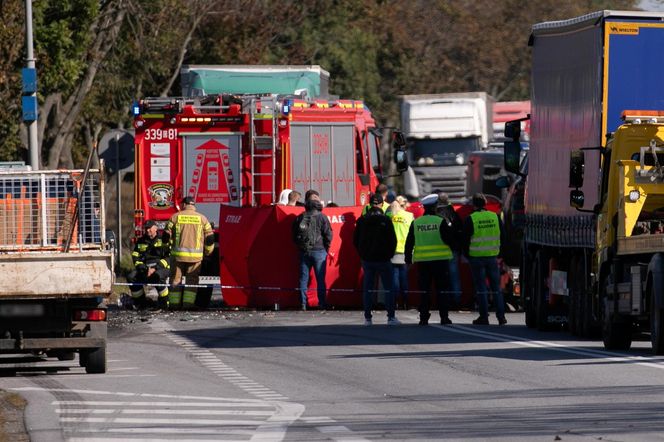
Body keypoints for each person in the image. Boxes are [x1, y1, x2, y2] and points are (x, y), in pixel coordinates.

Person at [404, 193, 455, 326]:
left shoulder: (416, 222)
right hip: (441, 261)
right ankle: (444, 317)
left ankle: (423, 318)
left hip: (423, 263)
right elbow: (450, 240)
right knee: (442, 290)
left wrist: (408, 259)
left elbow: (409, 243)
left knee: (424, 290)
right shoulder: (440, 221)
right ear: (435, 207)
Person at [354, 193, 399, 326]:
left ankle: (368, 318)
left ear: (370, 204)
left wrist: (363, 254)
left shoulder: (362, 221)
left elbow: (355, 241)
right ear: (381, 204)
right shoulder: (385, 220)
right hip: (384, 260)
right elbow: (393, 241)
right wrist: (389, 255)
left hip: (367, 259)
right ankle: (391, 317)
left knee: (367, 288)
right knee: (389, 288)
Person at [163, 196, 214, 310]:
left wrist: (166, 248)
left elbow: (166, 235)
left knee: (175, 280)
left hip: (178, 257)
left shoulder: (175, 217)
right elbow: (210, 238)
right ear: (193, 205)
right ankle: (188, 305)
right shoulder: (202, 219)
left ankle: (174, 305)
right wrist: (208, 252)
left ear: (184, 205)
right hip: (195, 258)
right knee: (192, 281)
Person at [464, 193, 507, 325]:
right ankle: (501, 317)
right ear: (485, 203)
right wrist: (500, 254)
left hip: (476, 258)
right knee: (496, 288)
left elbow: (464, 240)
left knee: (481, 288)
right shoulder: (495, 217)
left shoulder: (471, 218)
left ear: (474, 205)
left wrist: (467, 255)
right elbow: (503, 236)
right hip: (492, 258)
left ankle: (484, 317)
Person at [292, 195, 332, 310]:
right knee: (320, 279)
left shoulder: (300, 217)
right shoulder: (322, 217)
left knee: (303, 279)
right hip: (319, 251)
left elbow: (294, 235)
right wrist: (326, 248)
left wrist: (300, 246)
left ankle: (303, 303)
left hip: (304, 251)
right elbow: (328, 235)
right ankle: (322, 303)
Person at [127, 220, 170, 309]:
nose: (147, 230)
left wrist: (155, 268)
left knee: (158, 277)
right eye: (146, 228)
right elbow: (135, 256)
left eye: (149, 228)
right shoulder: (141, 241)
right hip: (145, 268)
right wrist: (143, 268)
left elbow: (168, 257)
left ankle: (164, 302)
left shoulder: (163, 241)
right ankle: (141, 302)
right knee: (131, 276)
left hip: (161, 267)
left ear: (155, 228)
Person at [436, 193, 463, 308]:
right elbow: (460, 231)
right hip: (453, 249)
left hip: (440, 250)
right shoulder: (454, 214)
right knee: (454, 275)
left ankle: (443, 302)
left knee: (441, 277)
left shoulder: (436, 215)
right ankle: (456, 301)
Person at [389, 198, 414, 309]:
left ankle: (395, 302)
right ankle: (405, 302)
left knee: (394, 277)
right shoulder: (409, 216)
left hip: (392, 250)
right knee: (404, 277)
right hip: (405, 250)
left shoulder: (390, 215)